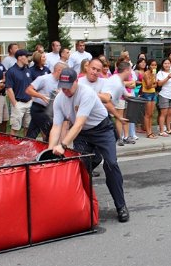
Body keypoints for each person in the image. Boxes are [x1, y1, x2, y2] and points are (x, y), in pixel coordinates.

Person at [48, 68, 130, 222]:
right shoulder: (59, 99)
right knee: (81, 167)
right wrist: (49, 150)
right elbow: (56, 126)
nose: (65, 90)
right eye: (62, 87)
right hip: (83, 135)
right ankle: (82, 208)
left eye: (68, 86)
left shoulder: (86, 93)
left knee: (111, 164)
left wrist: (63, 145)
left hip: (102, 130)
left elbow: (79, 123)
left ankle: (121, 206)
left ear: (76, 82)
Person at [26, 61, 66, 140]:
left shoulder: (61, 82)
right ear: (59, 70)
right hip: (39, 108)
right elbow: (28, 90)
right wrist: (41, 96)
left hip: (51, 110)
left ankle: (27, 144)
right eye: (65, 72)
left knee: (32, 132)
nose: (66, 74)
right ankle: (48, 145)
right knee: (50, 129)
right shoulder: (44, 79)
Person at [6, 49, 34, 136]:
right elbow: (9, 89)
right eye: (26, 56)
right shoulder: (11, 71)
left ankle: (26, 144)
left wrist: (32, 99)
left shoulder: (27, 70)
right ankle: (12, 144)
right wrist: (15, 104)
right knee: (15, 128)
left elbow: (30, 86)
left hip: (29, 102)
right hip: (18, 103)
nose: (28, 58)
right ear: (20, 58)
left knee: (28, 128)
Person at [156, 58, 171, 137]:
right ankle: (161, 131)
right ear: (162, 65)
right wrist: (167, 78)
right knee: (163, 113)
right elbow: (159, 84)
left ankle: (169, 129)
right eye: (165, 63)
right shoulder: (160, 73)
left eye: (168, 63)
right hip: (164, 94)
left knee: (169, 114)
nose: (167, 65)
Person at [140, 59, 158, 139]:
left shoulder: (154, 73)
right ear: (149, 66)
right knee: (147, 114)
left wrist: (153, 82)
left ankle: (150, 130)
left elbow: (156, 85)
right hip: (146, 94)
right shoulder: (146, 74)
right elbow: (148, 86)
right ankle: (148, 132)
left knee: (151, 114)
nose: (154, 67)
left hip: (153, 93)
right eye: (152, 65)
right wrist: (152, 77)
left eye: (155, 65)